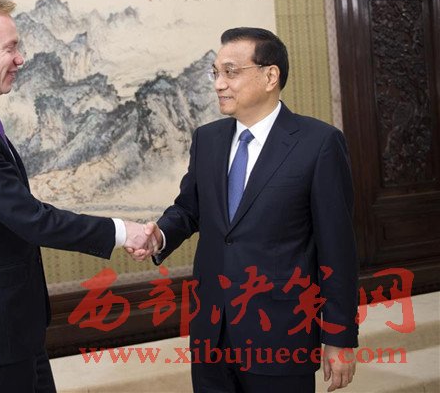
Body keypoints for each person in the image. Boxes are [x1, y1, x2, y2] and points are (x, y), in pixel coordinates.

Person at [0, 0, 156, 393]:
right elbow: (29, 218)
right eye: (10, 48)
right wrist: (122, 231)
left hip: (9, 324)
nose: (21, 59)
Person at [141, 27, 359, 392]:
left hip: (281, 333)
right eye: (215, 73)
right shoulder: (207, 139)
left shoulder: (318, 143)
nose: (218, 84)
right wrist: (160, 234)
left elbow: (337, 249)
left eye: (231, 72)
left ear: (270, 76)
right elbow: (189, 209)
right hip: (211, 332)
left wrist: (339, 335)